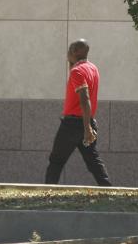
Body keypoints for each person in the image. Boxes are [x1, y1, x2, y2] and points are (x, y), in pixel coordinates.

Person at [44, 39, 112, 186]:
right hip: (87, 121)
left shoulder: (77, 71)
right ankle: (107, 189)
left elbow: (84, 98)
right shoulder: (92, 68)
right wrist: (88, 126)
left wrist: (87, 128)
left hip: (73, 125)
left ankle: (47, 191)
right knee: (93, 160)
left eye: (69, 51)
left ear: (75, 51)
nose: (67, 54)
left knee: (56, 160)